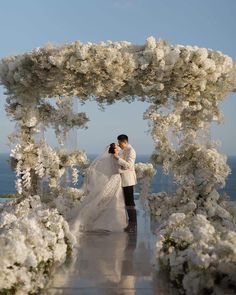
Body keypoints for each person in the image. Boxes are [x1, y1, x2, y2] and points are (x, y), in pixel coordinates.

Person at [70, 143, 128, 234]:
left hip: (113, 179)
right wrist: (124, 170)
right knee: (114, 200)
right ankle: (112, 223)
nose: (119, 147)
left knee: (110, 200)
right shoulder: (115, 157)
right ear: (115, 149)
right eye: (117, 147)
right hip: (116, 179)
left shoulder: (108, 158)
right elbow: (118, 169)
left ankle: (105, 222)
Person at [113, 134, 137, 233]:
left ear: (125, 142)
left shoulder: (131, 151)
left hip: (129, 180)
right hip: (124, 180)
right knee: (127, 202)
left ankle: (133, 224)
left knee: (130, 202)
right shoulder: (125, 151)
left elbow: (129, 166)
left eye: (120, 143)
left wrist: (117, 158)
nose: (119, 145)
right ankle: (130, 223)